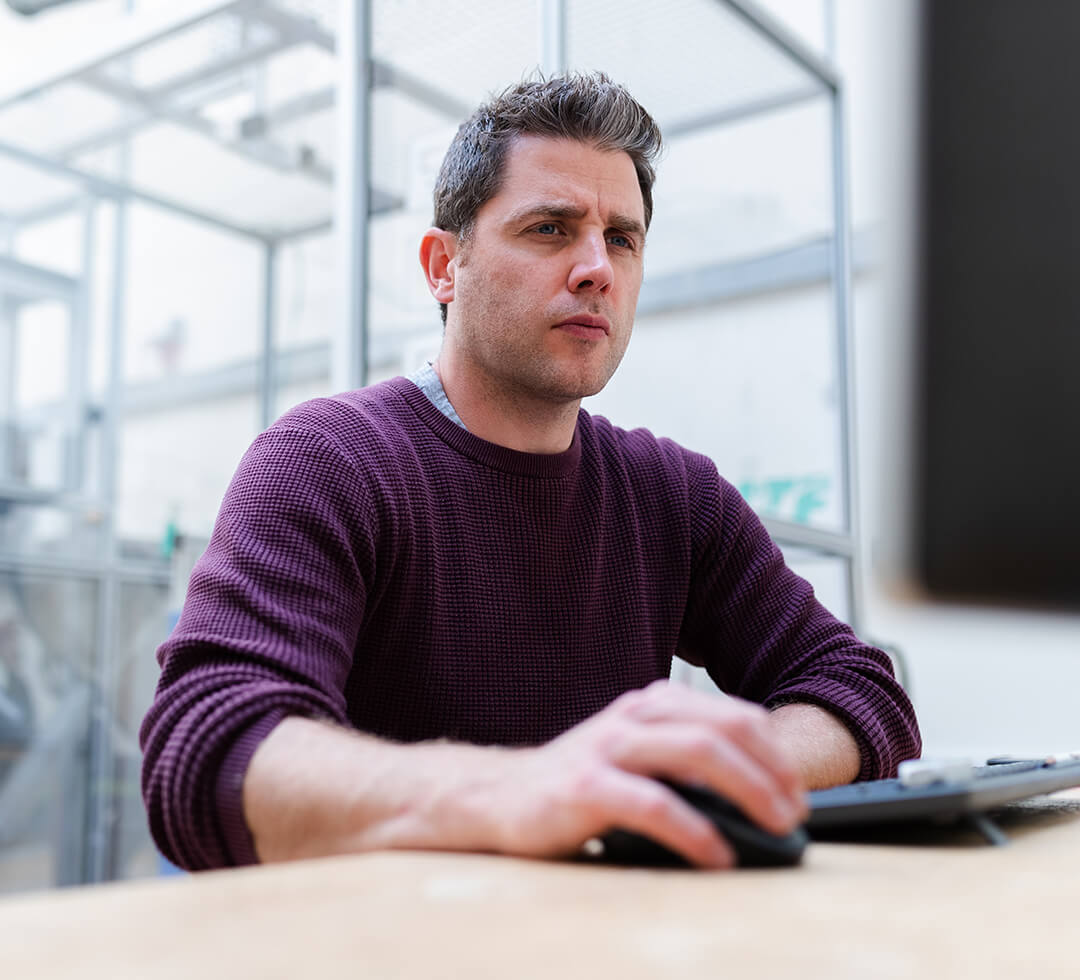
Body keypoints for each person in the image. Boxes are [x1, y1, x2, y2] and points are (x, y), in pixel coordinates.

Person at [140, 73, 920, 873]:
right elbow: (207, 753)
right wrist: (524, 789)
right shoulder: (330, 461)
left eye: (622, 238)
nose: (597, 270)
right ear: (444, 266)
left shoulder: (672, 495)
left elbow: (860, 689)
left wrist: (700, 772)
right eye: (550, 229)